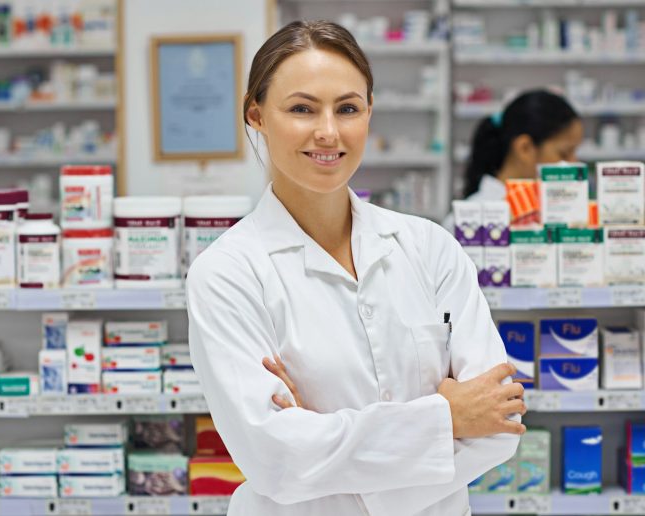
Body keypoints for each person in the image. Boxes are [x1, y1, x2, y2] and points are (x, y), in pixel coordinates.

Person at [186, 20, 525, 516]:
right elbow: (275, 460)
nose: (328, 131)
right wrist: (446, 419)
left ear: (369, 113)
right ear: (256, 116)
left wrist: (322, 442)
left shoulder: (430, 249)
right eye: (302, 108)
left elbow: (500, 427)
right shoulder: (227, 273)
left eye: (348, 108)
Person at [442, 89, 583, 232]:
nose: (574, 164)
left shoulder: (557, 214)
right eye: (564, 153)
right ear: (525, 148)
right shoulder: (464, 221)